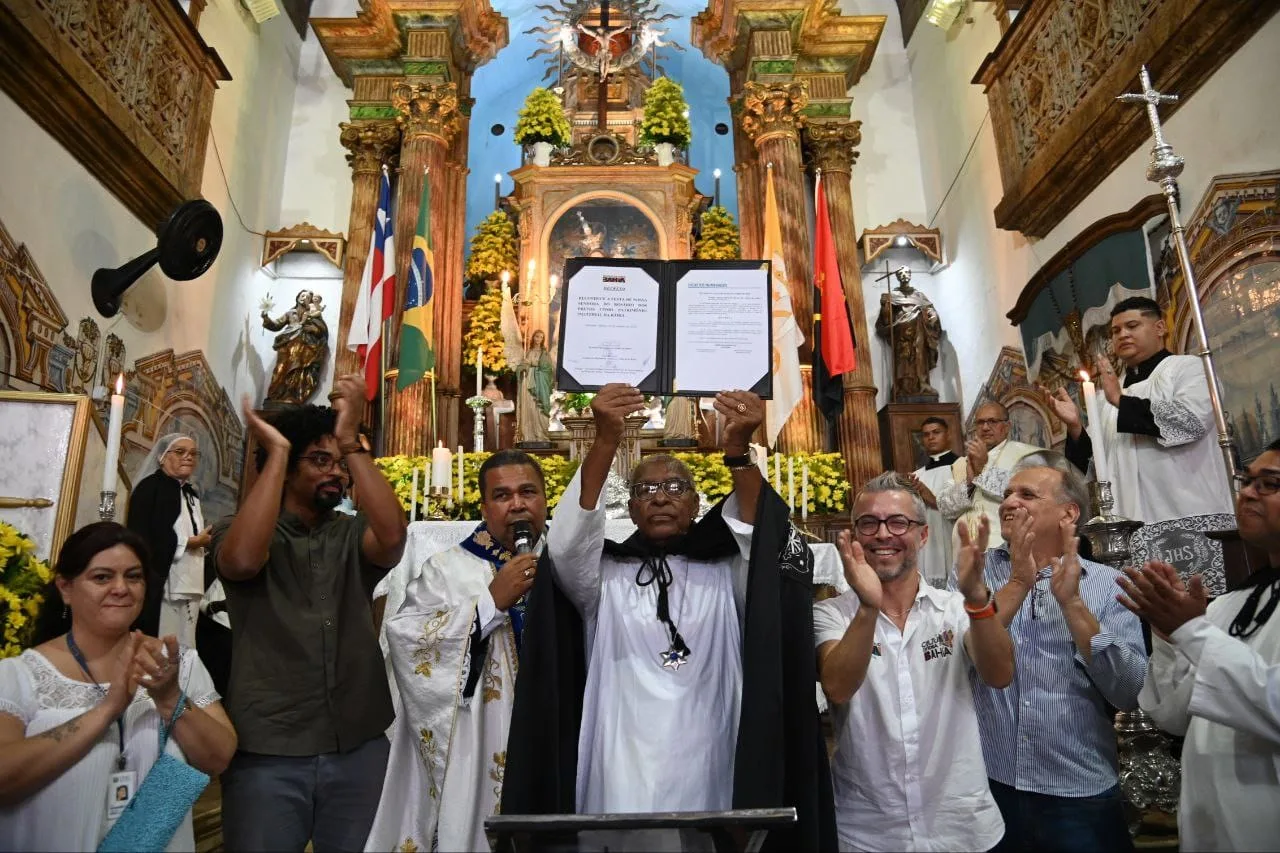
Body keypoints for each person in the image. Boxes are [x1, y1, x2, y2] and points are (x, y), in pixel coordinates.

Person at [503, 384, 836, 851]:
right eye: (646, 490)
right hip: (624, 752)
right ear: (632, 508)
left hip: (711, 746)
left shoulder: (726, 568)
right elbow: (566, 544)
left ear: (698, 505)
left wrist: (738, 451)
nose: (660, 498)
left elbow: (764, 539)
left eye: (675, 487)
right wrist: (604, 441)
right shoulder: (603, 575)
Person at [212, 373, 407, 852]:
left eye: (339, 464)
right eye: (320, 461)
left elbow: (393, 539)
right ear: (286, 469)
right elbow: (240, 561)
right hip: (271, 749)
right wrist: (276, 452)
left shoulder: (349, 533)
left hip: (358, 742)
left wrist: (349, 442)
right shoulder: (241, 532)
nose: (336, 473)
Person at [0, 522, 236, 851]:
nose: (121, 588)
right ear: (66, 588)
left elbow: (219, 758)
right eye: (102, 577)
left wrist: (170, 699)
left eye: (133, 576)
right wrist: (108, 709)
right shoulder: (18, 674)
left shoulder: (178, 664)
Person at [815, 473, 1013, 852]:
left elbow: (1000, 674)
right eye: (868, 523)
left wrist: (977, 601)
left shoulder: (954, 609)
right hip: (867, 830)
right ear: (855, 536)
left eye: (898, 522)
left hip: (961, 826)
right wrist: (868, 608)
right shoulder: (831, 615)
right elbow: (838, 687)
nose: (883, 534)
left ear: (923, 536)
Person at [365, 450, 548, 852]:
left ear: (545, 500)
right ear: (484, 507)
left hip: (554, 728)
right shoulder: (447, 569)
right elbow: (408, 639)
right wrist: (488, 604)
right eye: (502, 495)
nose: (516, 504)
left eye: (527, 492)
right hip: (479, 739)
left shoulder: (566, 561)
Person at [968, 452, 1146, 853]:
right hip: (990, 784)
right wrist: (1016, 583)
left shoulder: (1106, 583)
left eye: (1027, 495)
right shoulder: (974, 574)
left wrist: (1073, 605)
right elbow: (961, 664)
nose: (1010, 502)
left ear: (1068, 514)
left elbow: (1129, 691)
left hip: (1077, 790)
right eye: (1009, 493)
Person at [1121, 437, 1280, 850]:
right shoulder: (1231, 604)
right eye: (1246, 480)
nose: (1246, 492)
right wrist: (1169, 637)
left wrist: (1191, 631)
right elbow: (1175, 718)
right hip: (1211, 827)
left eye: (1270, 483)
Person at [1051, 296, 1235, 587]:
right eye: (1115, 331)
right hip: (1132, 523)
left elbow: (1190, 422)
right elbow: (1098, 463)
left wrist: (1121, 402)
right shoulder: (1105, 397)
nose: (1122, 334)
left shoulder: (1187, 369)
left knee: (1203, 609)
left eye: (1132, 325)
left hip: (1185, 512)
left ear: (1160, 327)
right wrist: (1075, 427)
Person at [127, 434, 213, 645]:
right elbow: (145, 534)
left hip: (191, 578)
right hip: (165, 581)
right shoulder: (151, 488)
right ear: (162, 457)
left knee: (187, 644)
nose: (188, 458)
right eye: (180, 452)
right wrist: (190, 543)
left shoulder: (191, 493)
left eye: (193, 454)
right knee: (165, 643)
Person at [938, 401, 1040, 552]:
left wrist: (982, 472)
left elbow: (1028, 496)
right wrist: (969, 484)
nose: (985, 427)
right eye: (980, 423)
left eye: (992, 421)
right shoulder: (962, 463)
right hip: (964, 553)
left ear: (1007, 427)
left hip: (1005, 552)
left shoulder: (1026, 456)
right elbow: (944, 507)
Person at [875, 266, 943, 400]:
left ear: (910, 275)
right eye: (901, 273)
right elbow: (886, 320)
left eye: (907, 272)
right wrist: (885, 306)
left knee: (920, 356)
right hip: (902, 333)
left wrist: (933, 315)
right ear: (897, 277)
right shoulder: (892, 295)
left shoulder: (919, 295)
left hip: (919, 329)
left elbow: (929, 309)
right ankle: (904, 386)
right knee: (904, 359)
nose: (904, 275)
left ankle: (923, 383)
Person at [908, 416, 958, 586]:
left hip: (951, 534)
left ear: (948, 434)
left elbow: (964, 505)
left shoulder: (962, 466)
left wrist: (930, 497)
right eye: (926, 434)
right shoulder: (918, 474)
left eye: (936, 432)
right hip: (927, 541)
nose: (931, 437)